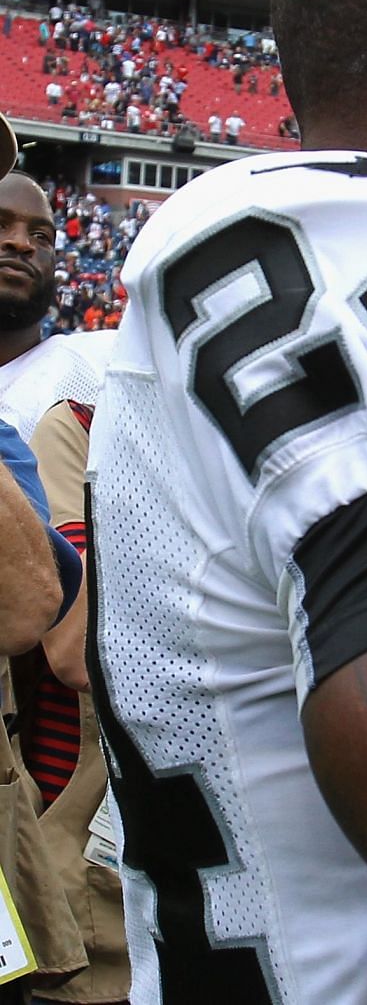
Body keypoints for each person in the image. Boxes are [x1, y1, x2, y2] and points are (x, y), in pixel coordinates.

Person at [0, 173, 125, 1005]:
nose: (21, 243)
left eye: (40, 234)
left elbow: (50, 625)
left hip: (38, 783)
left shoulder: (72, 390)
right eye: (2, 225)